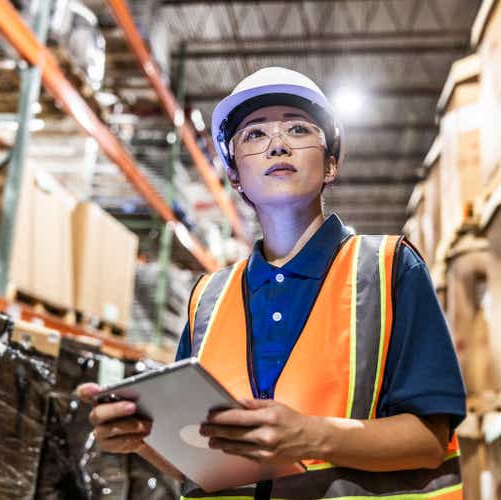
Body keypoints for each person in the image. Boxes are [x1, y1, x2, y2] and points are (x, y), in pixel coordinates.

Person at [77, 67, 466, 499]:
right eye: (254, 135)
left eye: (298, 129)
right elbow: (201, 464)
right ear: (235, 176)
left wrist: (313, 435)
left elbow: (430, 442)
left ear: (331, 163)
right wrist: (141, 440)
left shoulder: (389, 268)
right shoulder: (208, 299)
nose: (277, 143)